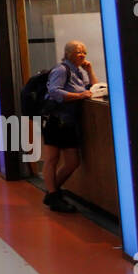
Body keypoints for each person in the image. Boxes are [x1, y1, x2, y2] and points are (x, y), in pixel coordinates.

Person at [42, 40, 98, 213]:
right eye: (78, 51)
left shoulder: (78, 72)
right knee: (52, 159)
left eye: (84, 52)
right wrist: (78, 95)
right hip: (56, 120)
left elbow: (94, 88)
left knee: (72, 162)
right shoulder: (61, 70)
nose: (82, 55)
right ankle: (54, 194)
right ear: (68, 54)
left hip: (68, 121)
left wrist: (89, 71)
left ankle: (52, 193)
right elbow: (54, 91)